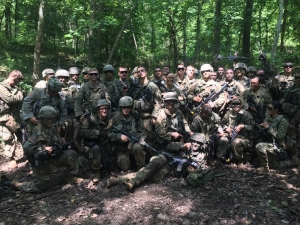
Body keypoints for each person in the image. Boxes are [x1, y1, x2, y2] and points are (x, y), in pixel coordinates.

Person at [11, 106, 84, 192]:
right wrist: (43, 148)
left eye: (52, 119)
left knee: (71, 154)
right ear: (42, 118)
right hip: (42, 161)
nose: (50, 121)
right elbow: (27, 148)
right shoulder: (37, 131)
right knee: (40, 187)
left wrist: (61, 142)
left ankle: (71, 177)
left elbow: (55, 140)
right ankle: (20, 185)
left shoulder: (52, 128)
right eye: (47, 119)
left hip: (53, 155)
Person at [106, 133, 206, 191]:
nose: (195, 144)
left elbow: (201, 170)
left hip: (170, 170)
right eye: (194, 141)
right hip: (165, 159)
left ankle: (118, 179)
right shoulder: (185, 145)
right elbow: (169, 146)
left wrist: (192, 171)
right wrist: (182, 146)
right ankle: (134, 182)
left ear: (201, 145)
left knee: (149, 174)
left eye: (198, 143)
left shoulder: (201, 156)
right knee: (152, 166)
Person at [107, 96, 147, 171]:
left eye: (128, 107)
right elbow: (109, 133)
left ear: (131, 107)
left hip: (133, 144)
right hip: (121, 147)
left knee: (138, 148)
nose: (126, 109)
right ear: (121, 107)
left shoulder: (135, 117)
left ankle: (141, 168)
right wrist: (119, 136)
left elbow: (143, 131)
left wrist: (142, 138)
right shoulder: (115, 117)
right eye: (123, 107)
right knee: (125, 167)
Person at [79, 99, 113, 183]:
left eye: (106, 108)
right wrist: (96, 133)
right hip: (91, 143)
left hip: (105, 141)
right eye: (102, 109)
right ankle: (96, 172)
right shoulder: (89, 119)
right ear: (97, 110)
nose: (104, 111)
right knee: (95, 149)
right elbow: (82, 132)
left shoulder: (110, 118)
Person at [255, 101, 293, 172]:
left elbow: (280, 136)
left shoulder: (283, 121)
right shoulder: (268, 117)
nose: (268, 110)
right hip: (269, 142)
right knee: (273, 165)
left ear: (276, 110)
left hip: (278, 146)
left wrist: (269, 128)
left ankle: (265, 168)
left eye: (270, 108)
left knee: (259, 146)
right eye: (267, 108)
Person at [221, 98, 255, 168]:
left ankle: (240, 162)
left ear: (241, 105)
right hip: (231, 135)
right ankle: (222, 159)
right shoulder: (229, 113)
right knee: (222, 139)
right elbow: (222, 123)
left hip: (245, 139)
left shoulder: (246, 114)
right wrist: (226, 128)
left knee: (235, 142)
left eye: (238, 104)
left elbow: (253, 127)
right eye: (234, 104)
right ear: (231, 105)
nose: (236, 106)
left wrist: (243, 126)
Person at [0, 70, 24, 168]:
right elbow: (10, 99)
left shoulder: (14, 88)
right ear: (13, 77)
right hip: (3, 118)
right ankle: (12, 159)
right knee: (7, 138)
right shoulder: (1, 87)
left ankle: (23, 155)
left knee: (20, 137)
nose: (18, 83)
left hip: (15, 118)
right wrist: (20, 94)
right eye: (17, 81)